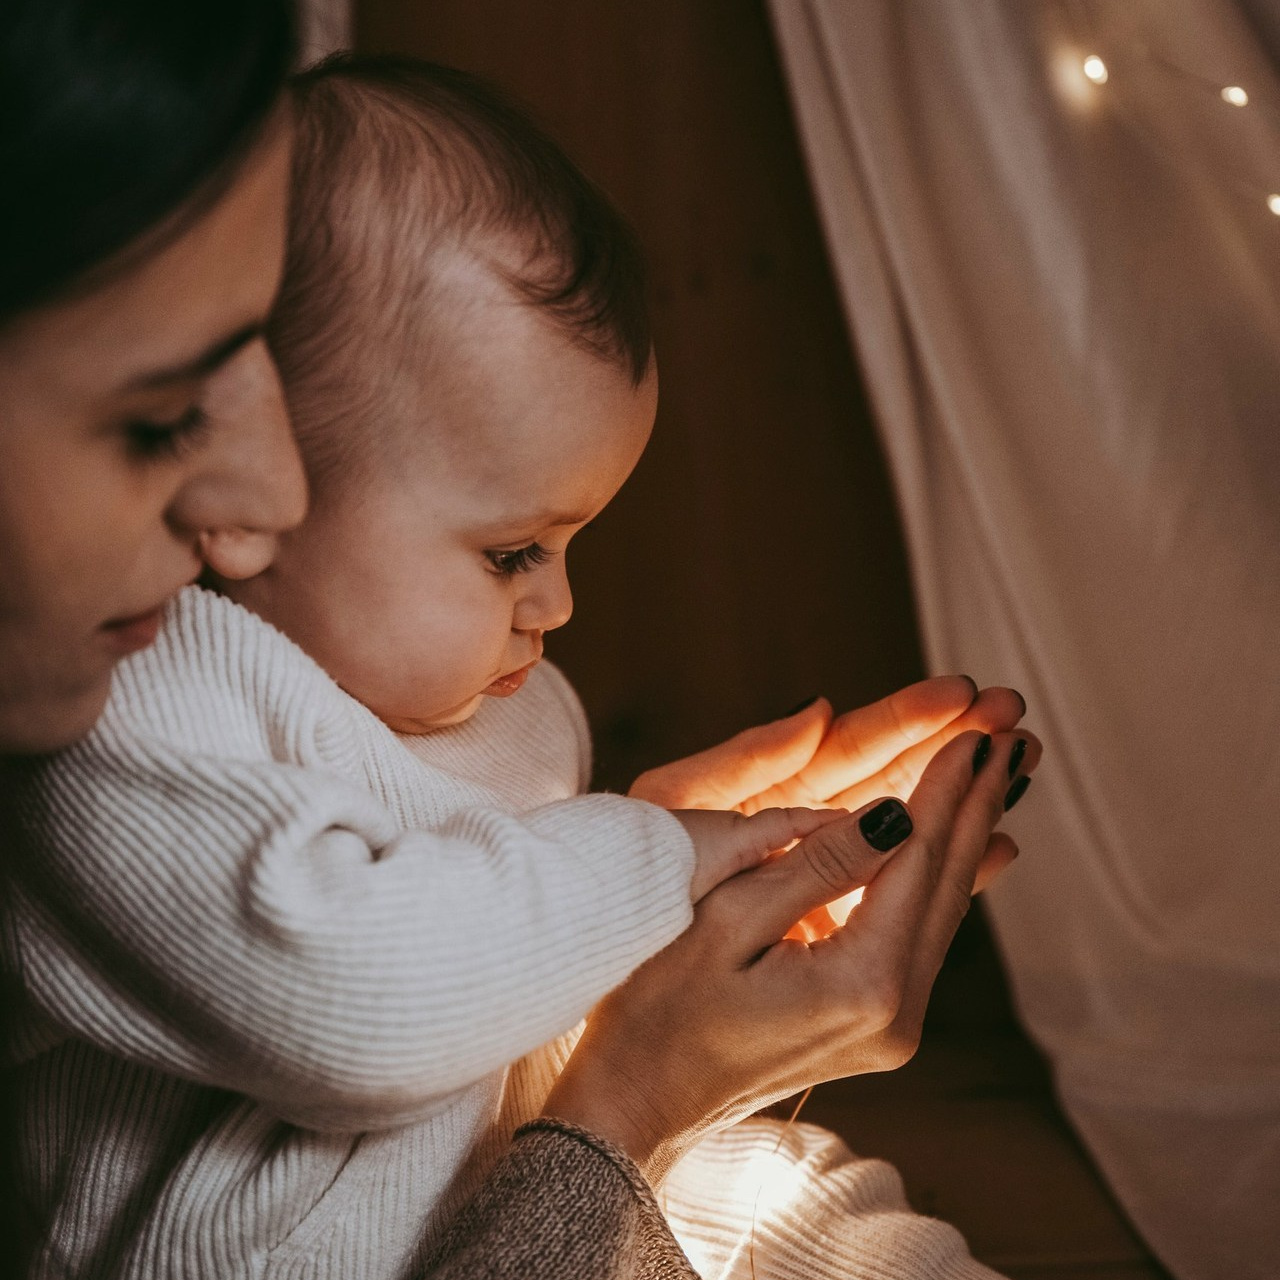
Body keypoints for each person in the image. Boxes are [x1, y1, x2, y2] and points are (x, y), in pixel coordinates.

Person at [0, 8, 1034, 1277]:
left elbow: (520, 1070)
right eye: (509, 553)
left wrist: (724, 923)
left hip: (501, 1201)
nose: (555, 606)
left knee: (828, 1206)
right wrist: (659, 859)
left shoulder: (497, 703)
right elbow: (366, 1004)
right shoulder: (134, 700)